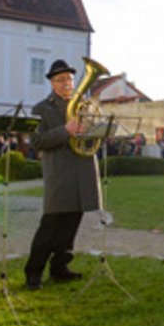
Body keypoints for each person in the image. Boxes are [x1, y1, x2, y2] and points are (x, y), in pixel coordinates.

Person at [24, 59, 101, 290]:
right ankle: (33, 272)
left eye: (68, 79)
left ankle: (60, 267)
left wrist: (92, 129)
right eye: (60, 80)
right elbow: (37, 142)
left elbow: (95, 135)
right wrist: (66, 130)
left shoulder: (84, 106)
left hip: (82, 170)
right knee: (50, 225)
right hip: (60, 172)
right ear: (51, 83)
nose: (66, 83)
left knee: (71, 224)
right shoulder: (41, 109)